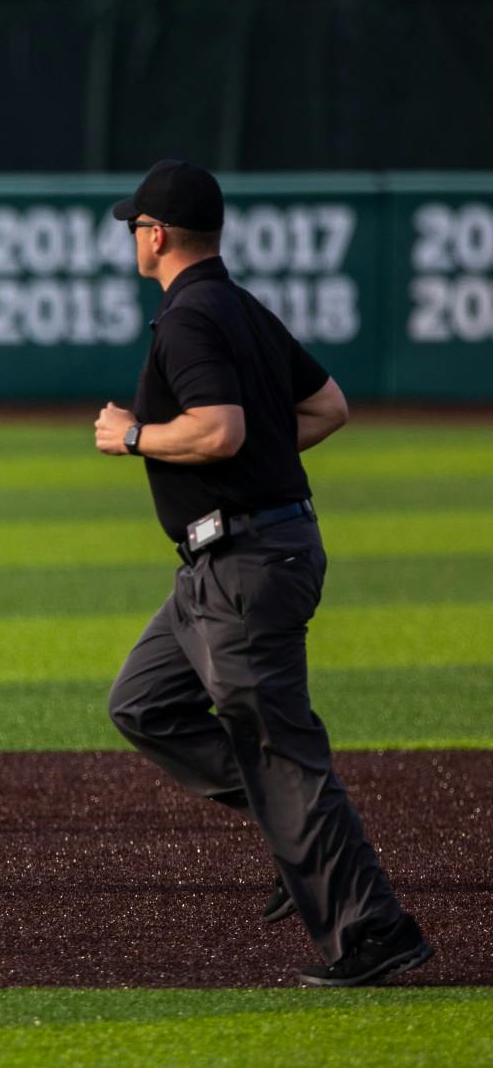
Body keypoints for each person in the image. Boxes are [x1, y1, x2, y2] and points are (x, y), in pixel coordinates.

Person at [94, 158, 430, 986]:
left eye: (136, 225)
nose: (133, 237)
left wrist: (134, 435)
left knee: (282, 753)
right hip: (226, 561)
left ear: (158, 235)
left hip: (245, 562)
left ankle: (374, 932)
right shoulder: (242, 308)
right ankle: (295, 841)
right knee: (143, 702)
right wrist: (256, 460)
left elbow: (218, 431)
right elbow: (328, 407)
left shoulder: (188, 321)